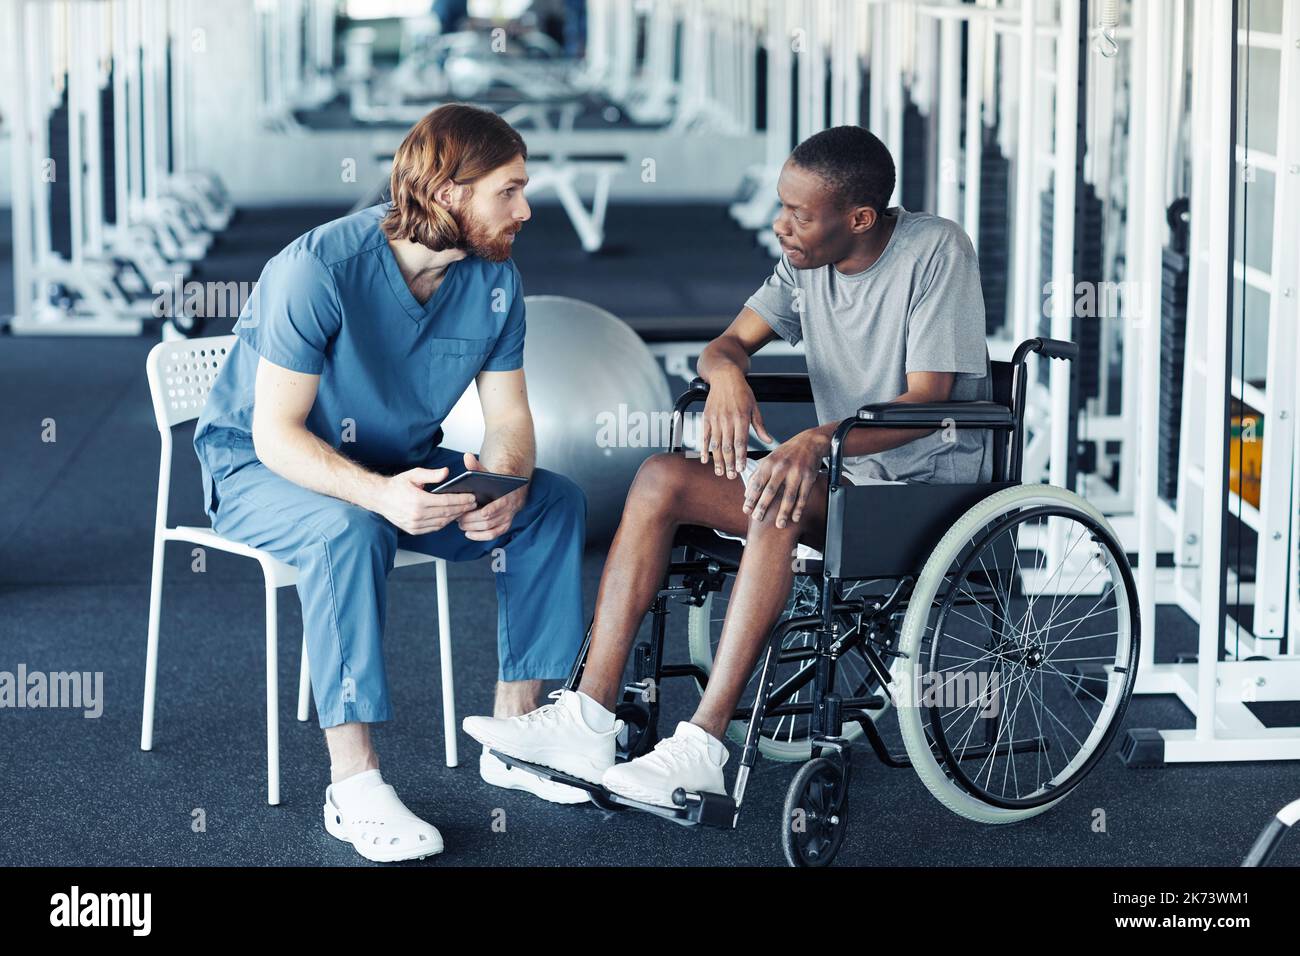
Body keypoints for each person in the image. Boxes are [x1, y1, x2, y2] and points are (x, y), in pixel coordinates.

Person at [463, 125, 993, 810]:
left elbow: (930, 399)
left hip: (924, 488)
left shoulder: (935, 250)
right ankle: (587, 718)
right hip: (835, 479)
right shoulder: (805, 259)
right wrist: (727, 379)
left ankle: (705, 745)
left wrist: (814, 444)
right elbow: (725, 346)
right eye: (782, 204)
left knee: (780, 489)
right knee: (661, 475)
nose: (781, 224)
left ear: (859, 219)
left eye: (798, 213)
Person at [192, 104, 588, 863]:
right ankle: (354, 784)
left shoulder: (495, 277)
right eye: (508, 191)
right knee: (350, 527)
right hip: (261, 467)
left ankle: (515, 734)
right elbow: (277, 434)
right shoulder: (318, 269)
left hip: (396, 464)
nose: (526, 209)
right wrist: (379, 495)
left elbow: (509, 419)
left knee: (553, 502)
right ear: (448, 194)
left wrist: (505, 481)